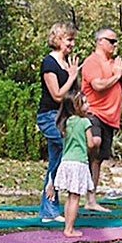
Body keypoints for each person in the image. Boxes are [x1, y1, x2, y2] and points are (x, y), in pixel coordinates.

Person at [81, 27, 122, 212]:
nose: (115, 44)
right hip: (93, 112)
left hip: (110, 118)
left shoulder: (114, 63)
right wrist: (116, 76)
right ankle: (73, 157)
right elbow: (98, 85)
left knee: (98, 159)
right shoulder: (92, 61)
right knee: (94, 142)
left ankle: (91, 200)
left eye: (116, 41)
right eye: (111, 41)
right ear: (100, 41)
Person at [36, 22, 80, 222]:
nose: (72, 43)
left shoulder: (68, 63)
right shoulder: (49, 63)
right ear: (59, 39)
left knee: (56, 160)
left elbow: (73, 96)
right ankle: (49, 208)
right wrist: (71, 77)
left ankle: (49, 210)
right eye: (69, 39)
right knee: (64, 153)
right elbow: (57, 95)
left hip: (64, 118)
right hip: (49, 117)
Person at [51, 92, 100, 237]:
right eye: (85, 102)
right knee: (75, 197)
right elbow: (90, 144)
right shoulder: (85, 122)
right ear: (76, 106)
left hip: (66, 162)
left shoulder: (66, 122)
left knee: (69, 196)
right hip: (79, 162)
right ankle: (69, 229)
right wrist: (95, 143)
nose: (88, 105)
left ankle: (67, 226)